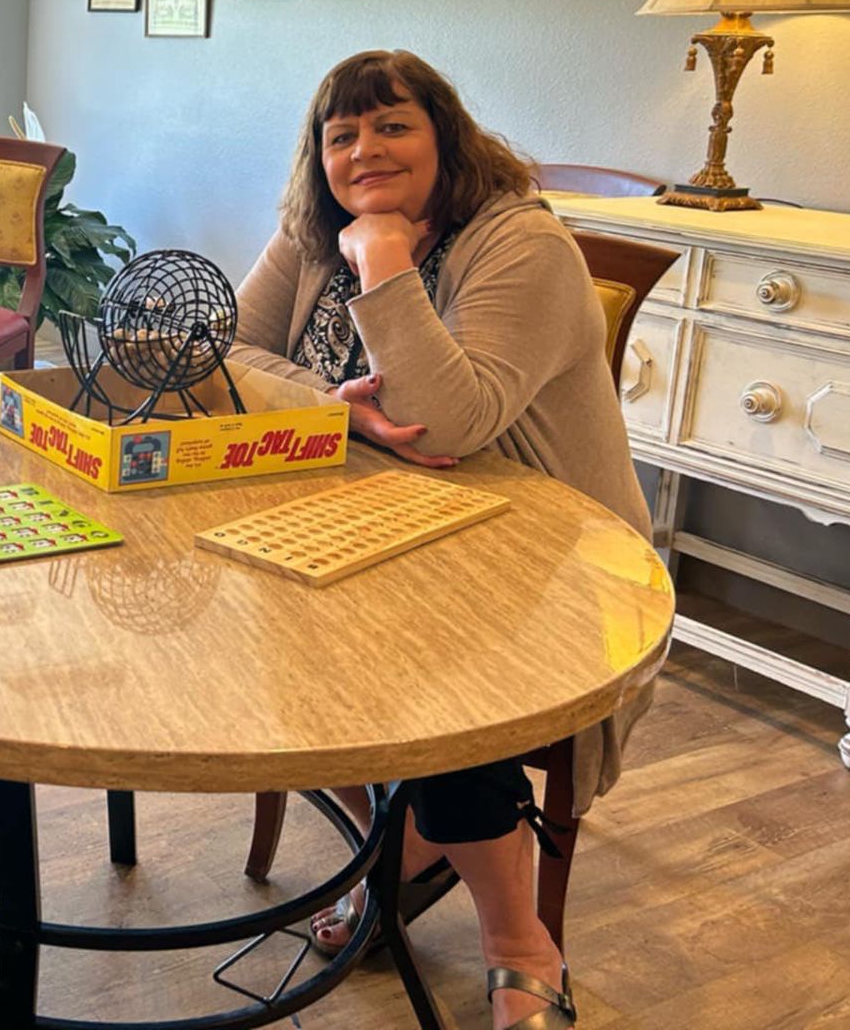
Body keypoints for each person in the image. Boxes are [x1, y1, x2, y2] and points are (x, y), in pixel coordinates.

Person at [231, 50, 652, 1030]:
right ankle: (400, 843)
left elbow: (449, 422)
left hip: (550, 561)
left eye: (393, 126)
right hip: (377, 524)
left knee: (443, 685)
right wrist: (335, 408)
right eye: (342, 135)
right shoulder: (311, 231)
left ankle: (516, 940)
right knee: (259, 636)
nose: (365, 151)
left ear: (445, 137)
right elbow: (226, 356)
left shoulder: (520, 244)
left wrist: (384, 264)